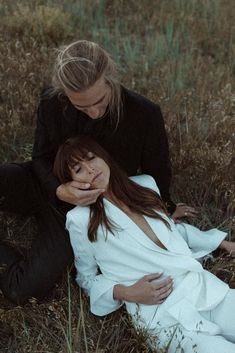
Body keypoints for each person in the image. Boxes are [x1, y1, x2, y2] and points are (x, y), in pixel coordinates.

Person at [0, 40, 196, 305]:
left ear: (110, 77)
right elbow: (41, 157)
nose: (93, 112)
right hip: (44, 182)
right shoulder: (51, 100)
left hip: (85, 210)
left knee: (24, 290)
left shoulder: (145, 114)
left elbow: (157, 171)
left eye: (100, 101)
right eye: (81, 107)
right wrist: (59, 189)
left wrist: (165, 207)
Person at [54, 135, 235, 353]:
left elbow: (170, 230)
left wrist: (221, 242)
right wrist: (128, 293)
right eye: (78, 169)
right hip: (161, 313)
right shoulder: (80, 219)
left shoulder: (145, 184)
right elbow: (86, 279)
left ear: (104, 156)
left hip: (202, 288)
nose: (90, 169)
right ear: (71, 182)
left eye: (91, 158)